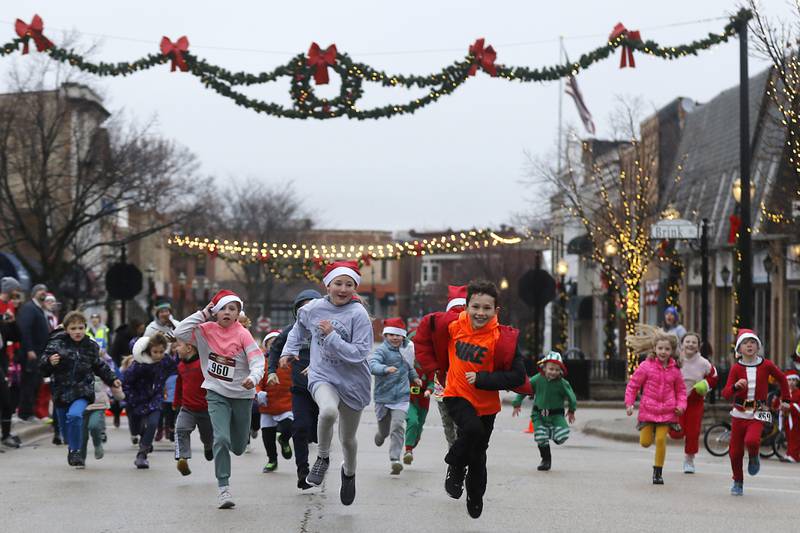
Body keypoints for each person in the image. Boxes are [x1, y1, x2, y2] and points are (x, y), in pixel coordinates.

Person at [417, 279, 527, 519]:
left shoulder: (502, 339)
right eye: (475, 307)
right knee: (472, 431)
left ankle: (475, 494)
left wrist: (483, 379)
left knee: (479, 454)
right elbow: (424, 334)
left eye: (487, 308)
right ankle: (455, 466)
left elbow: (517, 376)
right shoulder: (453, 327)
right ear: (466, 307)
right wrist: (431, 368)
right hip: (456, 394)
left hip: (487, 403)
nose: (480, 312)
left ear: (495, 310)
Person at [280, 261, 373, 506]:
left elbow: (359, 353)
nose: (343, 289)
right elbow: (297, 330)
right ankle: (322, 458)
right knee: (328, 411)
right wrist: (287, 351)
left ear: (355, 287)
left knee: (348, 440)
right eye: (338, 283)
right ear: (328, 285)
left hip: (353, 381)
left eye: (349, 284)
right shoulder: (313, 309)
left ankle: (349, 474)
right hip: (323, 374)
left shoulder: (358, 315)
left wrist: (331, 336)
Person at [174, 289, 264, 509]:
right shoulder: (205, 330)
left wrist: (253, 378)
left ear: (238, 314)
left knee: (239, 446)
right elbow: (180, 331)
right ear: (215, 311)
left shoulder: (242, 333)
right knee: (221, 439)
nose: (227, 312)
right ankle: (224, 488)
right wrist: (203, 313)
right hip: (216, 392)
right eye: (222, 308)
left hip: (242, 394)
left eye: (232, 309)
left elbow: (257, 360)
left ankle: (238, 443)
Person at [39, 311, 121, 468]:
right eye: (74, 328)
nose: (78, 331)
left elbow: (99, 365)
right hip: (61, 393)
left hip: (82, 391)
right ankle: (72, 446)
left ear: (85, 328)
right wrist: (50, 362)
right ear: (67, 330)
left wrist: (112, 379)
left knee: (75, 416)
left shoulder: (90, 346)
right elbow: (43, 369)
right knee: (66, 431)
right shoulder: (56, 345)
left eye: (81, 328)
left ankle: (75, 451)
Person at [722, 329, 790, 496]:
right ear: (739, 349)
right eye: (745, 343)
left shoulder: (766, 364)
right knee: (735, 452)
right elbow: (725, 394)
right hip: (739, 412)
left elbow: (782, 378)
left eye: (753, 342)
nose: (750, 345)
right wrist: (735, 386)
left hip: (759, 410)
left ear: (758, 346)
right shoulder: (736, 368)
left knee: (752, 441)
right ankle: (738, 481)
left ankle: (754, 456)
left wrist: (786, 400)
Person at [268, 289, 321, 489]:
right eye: (302, 306)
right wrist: (271, 370)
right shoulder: (292, 330)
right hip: (300, 390)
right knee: (299, 428)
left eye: (311, 305)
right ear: (296, 311)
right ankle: (303, 471)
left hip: (324, 389)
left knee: (317, 431)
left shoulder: (326, 328)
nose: (307, 310)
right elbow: (274, 349)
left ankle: (319, 459)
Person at [625, 325, 687, 485]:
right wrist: (629, 403)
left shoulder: (675, 370)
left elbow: (681, 391)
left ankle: (658, 472)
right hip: (648, 410)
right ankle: (649, 430)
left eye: (667, 349)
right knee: (645, 443)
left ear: (671, 351)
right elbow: (633, 385)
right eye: (660, 348)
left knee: (660, 440)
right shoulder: (646, 366)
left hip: (667, 412)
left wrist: (681, 405)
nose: (663, 352)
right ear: (654, 348)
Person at [413, 285, 467, 451]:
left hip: (443, 382)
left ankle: (454, 450)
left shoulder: (437, 324)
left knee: (448, 421)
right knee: (460, 422)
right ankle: (458, 450)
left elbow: (422, 347)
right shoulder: (467, 324)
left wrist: (433, 368)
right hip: (456, 383)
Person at [369, 318, 420, 475]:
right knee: (385, 431)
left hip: (401, 397)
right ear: (385, 336)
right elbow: (373, 365)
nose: (394, 338)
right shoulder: (382, 351)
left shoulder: (406, 350)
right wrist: (384, 369)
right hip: (383, 397)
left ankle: (395, 460)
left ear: (403, 336)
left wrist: (415, 377)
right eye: (391, 335)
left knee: (397, 426)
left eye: (397, 335)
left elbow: (409, 368)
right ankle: (380, 435)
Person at [512, 351, 577, 471]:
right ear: (544, 367)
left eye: (557, 370)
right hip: (538, 414)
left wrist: (572, 410)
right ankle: (546, 460)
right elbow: (525, 389)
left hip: (556, 415)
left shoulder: (562, 383)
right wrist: (517, 403)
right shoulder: (537, 379)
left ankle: (550, 434)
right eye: (551, 369)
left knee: (563, 435)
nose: (554, 372)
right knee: (540, 437)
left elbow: (571, 397)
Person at [122, 333, 177, 469]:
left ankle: (142, 455)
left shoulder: (165, 361)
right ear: (148, 351)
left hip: (155, 398)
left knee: (153, 424)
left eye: (161, 351)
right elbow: (127, 383)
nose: (158, 355)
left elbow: (178, 365)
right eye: (155, 352)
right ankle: (143, 437)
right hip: (136, 400)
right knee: (136, 429)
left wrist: (178, 344)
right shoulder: (138, 365)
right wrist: (130, 398)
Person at [668, 332, 718, 473]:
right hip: (677, 401)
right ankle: (665, 426)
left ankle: (689, 460)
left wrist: (705, 385)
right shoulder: (675, 360)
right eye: (687, 341)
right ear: (682, 344)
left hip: (695, 401)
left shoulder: (703, 363)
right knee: (677, 433)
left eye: (694, 342)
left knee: (693, 432)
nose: (690, 344)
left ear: (698, 346)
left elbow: (714, 376)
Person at [173, 339, 214, 476]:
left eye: (178, 346)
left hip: (206, 409)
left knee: (207, 436)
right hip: (187, 408)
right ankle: (182, 459)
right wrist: (176, 402)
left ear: (189, 348)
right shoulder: (181, 366)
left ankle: (208, 447)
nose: (176, 349)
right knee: (180, 429)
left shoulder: (203, 365)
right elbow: (179, 385)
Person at [258, 330, 293, 473]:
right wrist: (258, 392)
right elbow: (257, 381)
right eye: (270, 344)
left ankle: (284, 440)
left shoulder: (290, 361)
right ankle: (272, 460)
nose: (274, 347)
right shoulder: (262, 363)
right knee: (267, 436)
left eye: (277, 344)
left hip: (287, 403)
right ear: (265, 346)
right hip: (267, 405)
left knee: (286, 428)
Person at [16, 283, 50, 421]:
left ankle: (31, 411)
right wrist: (29, 349)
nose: (43, 293)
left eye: (45, 291)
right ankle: (25, 413)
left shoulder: (39, 309)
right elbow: (25, 330)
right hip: (31, 354)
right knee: (29, 383)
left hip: (40, 353)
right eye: (40, 290)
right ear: (33, 293)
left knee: (36, 382)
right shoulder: (29, 308)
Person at [80, 373, 124, 463]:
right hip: (81, 405)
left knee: (94, 426)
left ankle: (97, 444)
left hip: (98, 405)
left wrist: (118, 394)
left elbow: (111, 379)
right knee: (82, 435)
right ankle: (81, 457)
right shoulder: (77, 366)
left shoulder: (100, 367)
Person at [0, 277, 22, 447]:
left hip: (3, 360)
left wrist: (12, 323)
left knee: (6, 399)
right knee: (5, 398)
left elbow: (15, 336)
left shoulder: (9, 309)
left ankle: (5, 434)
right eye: (15, 289)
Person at [403, 354, 435, 465]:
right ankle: (408, 450)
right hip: (409, 399)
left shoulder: (430, 366)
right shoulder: (406, 362)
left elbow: (432, 383)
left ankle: (414, 440)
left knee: (419, 425)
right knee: (413, 421)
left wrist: (429, 391)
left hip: (423, 402)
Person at [784, 370, 800, 463]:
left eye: (794, 380)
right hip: (787, 418)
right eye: (790, 380)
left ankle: (794, 455)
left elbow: (798, 406)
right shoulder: (785, 392)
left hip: (796, 419)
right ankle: (789, 453)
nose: (792, 382)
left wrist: (791, 406)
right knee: (789, 437)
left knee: (795, 437)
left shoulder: (798, 393)